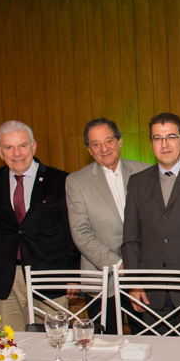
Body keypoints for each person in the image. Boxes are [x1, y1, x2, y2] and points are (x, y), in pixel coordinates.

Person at [0, 121, 80, 332]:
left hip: (51, 276)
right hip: (6, 279)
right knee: (9, 346)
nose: (16, 153)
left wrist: (74, 274)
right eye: (9, 147)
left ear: (33, 146)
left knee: (56, 341)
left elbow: (72, 230)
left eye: (22, 146)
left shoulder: (61, 181)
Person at [122, 113, 180, 334]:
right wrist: (134, 283)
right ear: (151, 142)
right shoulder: (137, 182)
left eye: (171, 136)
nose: (164, 144)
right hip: (150, 295)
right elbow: (131, 239)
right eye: (157, 138)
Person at [66, 118, 149, 335]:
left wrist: (135, 269)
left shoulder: (146, 171)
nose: (104, 148)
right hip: (101, 278)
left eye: (109, 140)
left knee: (148, 340)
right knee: (105, 346)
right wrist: (120, 265)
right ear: (89, 150)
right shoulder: (76, 182)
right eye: (95, 144)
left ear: (119, 141)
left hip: (143, 276)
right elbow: (81, 234)